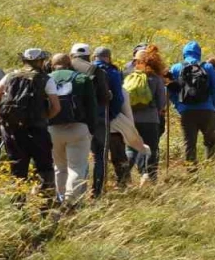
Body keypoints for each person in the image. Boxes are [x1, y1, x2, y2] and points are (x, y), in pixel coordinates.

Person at [0, 48, 59, 200]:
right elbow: (56, 107)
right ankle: (45, 206)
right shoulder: (46, 79)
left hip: (13, 130)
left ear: (24, 61)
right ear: (40, 62)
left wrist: (0, 118)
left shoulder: (10, 76)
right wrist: (45, 117)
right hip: (38, 130)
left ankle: (18, 208)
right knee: (44, 168)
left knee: (17, 170)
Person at [48, 54, 98, 206]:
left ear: (52, 64)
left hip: (53, 128)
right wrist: (91, 129)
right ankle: (71, 201)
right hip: (78, 127)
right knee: (76, 167)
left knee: (59, 167)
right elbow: (92, 107)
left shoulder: (46, 78)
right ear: (70, 63)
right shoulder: (82, 78)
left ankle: (60, 198)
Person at [169, 41, 215, 165]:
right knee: (210, 141)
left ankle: (191, 173)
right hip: (207, 110)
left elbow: (169, 89)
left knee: (189, 143)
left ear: (184, 53)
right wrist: (211, 103)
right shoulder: (207, 67)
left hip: (186, 111)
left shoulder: (176, 68)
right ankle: (211, 168)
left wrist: (178, 105)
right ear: (199, 53)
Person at [69, 44, 113, 195]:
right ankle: (97, 191)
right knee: (98, 154)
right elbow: (104, 97)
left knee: (73, 159)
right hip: (96, 118)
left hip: (68, 119)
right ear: (89, 56)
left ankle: (73, 192)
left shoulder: (62, 68)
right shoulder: (95, 70)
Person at [92, 47, 130, 193]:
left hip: (89, 119)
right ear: (108, 57)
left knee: (97, 154)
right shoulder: (112, 72)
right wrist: (113, 114)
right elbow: (119, 97)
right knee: (117, 150)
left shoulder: (87, 70)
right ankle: (122, 182)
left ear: (95, 57)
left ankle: (96, 187)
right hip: (108, 118)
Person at [127, 46, 167, 181]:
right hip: (150, 119)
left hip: (132, 119)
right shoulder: (155, 78)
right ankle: (150, 177)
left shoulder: (129, 77)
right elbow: (162, 101)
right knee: (151, 148)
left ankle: (124, 176)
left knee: (131, 148)